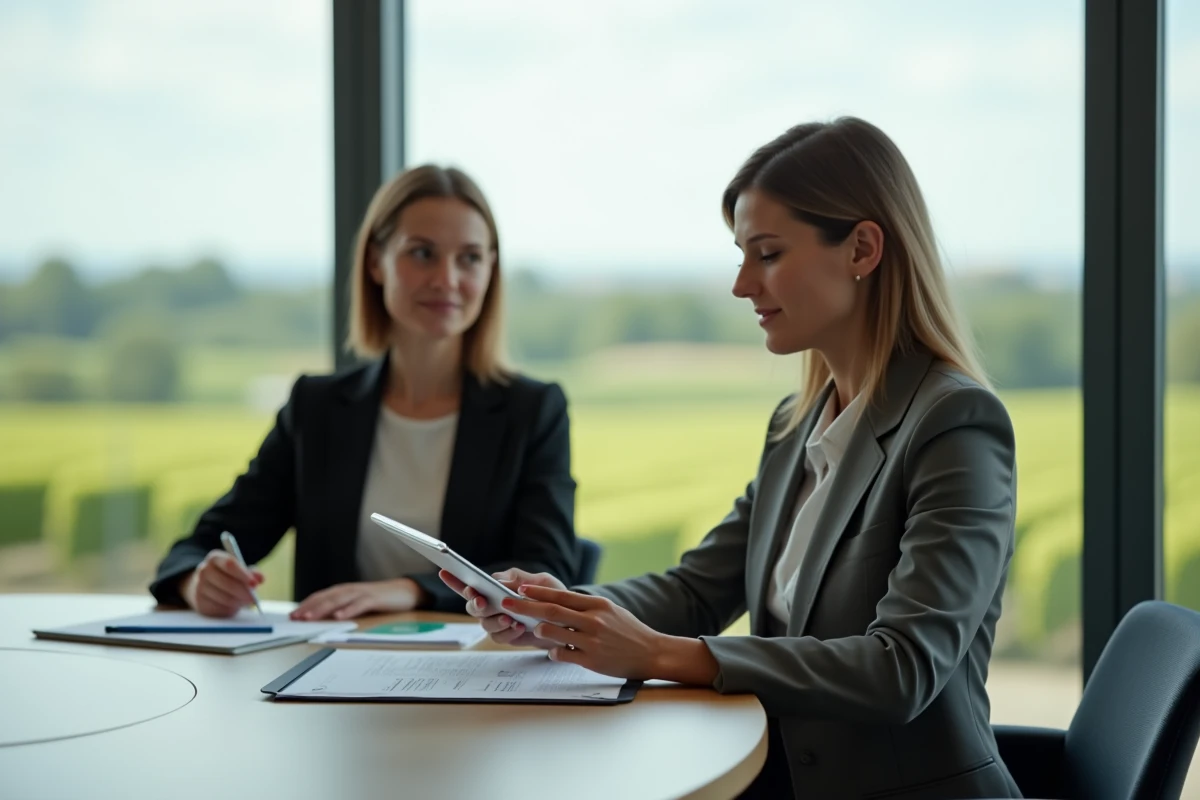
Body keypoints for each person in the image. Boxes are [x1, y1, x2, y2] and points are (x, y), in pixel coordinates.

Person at [444, 118, 1021, 800]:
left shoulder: (955, 424)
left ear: (863, 248)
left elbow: (902, 670)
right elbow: (697, 591)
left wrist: (658, 654)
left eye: (768, 254)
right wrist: (556, 609)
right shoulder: (797, 425)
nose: (743, 284)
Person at [150, 165, 578, 621]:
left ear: (491, 268)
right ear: (376, 261)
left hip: (475, 672)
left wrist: (410, 590)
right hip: (327, 675)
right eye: (422, 253)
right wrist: (198, 581)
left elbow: (545, 569)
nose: (447, 278)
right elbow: (200, 547)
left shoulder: (533, 411)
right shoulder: (318, 408)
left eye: (470, 258)